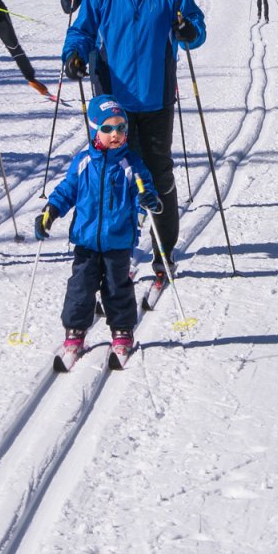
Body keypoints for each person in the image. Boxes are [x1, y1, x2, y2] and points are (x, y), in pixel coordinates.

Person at [63, 0, 206, 287]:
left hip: (157, 98)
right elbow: (80, 31)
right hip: (116, 103)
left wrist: (188, 29)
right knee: (118, 178)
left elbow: (197, 28)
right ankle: (121, 253)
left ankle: (164, 252)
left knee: (158, 174)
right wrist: (73, 56)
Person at [34, 95, 161, 369]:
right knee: (80, 288)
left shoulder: (131, 165)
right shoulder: (82, 163)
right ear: (95, 130)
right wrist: (50, 212)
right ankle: (74, 332)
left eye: (121, 128)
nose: (115, 135)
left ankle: (122, 331)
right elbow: (66, 192)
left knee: (117, 288)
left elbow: (146, 190)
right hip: (86, 241)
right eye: (108, 129)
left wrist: (149, 199)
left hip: (118, 241)